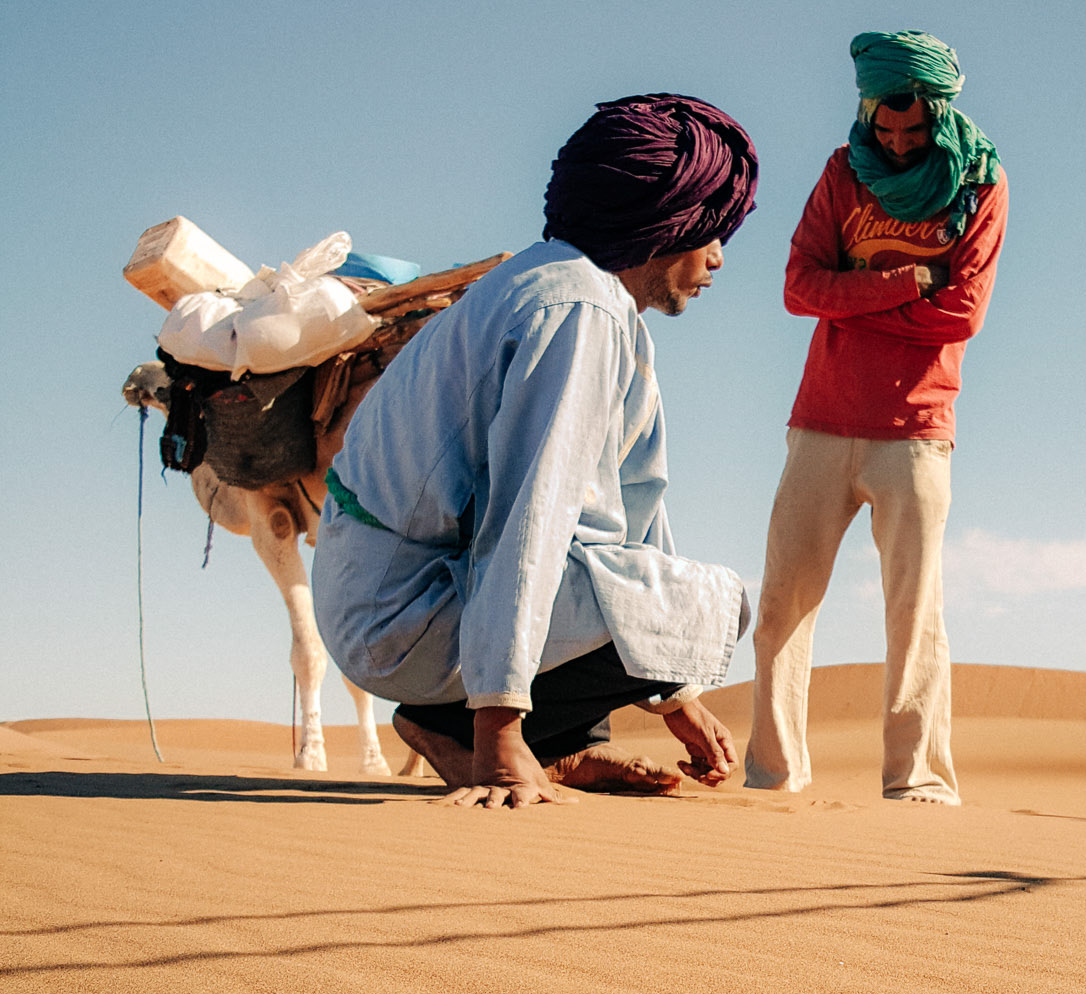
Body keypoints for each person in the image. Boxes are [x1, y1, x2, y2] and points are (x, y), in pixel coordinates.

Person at [313, 93, 758, 809]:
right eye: (710, 231)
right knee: (714, 603)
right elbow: (529, 516)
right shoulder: (576, 308)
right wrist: (495, 734)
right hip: (399, 613)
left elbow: (638, 515)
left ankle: (565, 742)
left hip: (406, 597)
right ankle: (468, 729)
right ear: (663, 223)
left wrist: (675, 691)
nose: (716, 258)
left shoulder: (589, 301)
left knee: (678, 600)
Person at [744, 31, 1008, 805]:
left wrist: (856, 294)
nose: (895, 143)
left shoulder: (980, 184)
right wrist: (908, 281)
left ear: (937, 112)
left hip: (919, 428)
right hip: (820, 420)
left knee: (913, 612)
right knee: (781, 605)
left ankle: (916, 779)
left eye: (912, 130)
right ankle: (773, 776)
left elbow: (961, 314)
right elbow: (799, 287)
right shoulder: (840, 171)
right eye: (883, 128)